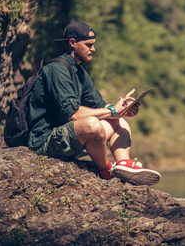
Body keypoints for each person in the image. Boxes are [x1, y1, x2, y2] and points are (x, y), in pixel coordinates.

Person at [27, 21, 160, 186]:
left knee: (120, 122)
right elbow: (74, 114)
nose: (93, 49)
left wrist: (121, 111)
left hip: (68, 135)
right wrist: (112, 111)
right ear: (73, 43)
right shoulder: (57, 69)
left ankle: (124, 165)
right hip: (45, 140)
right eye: (89, 45)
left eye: (94, 45)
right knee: (92, 124)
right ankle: (106, 170)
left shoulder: (80, 72)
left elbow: (102, 107)